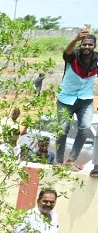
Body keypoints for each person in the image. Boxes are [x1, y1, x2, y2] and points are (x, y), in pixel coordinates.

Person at [54, 28, 96, 168]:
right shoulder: (73, 57)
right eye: (84, 44)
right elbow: (67, 52)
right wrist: (75, 39)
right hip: (66, 99)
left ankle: (71, 161)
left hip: (85, 100)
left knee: (84, 128)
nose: (87, 47)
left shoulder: (96, 60)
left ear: (94, 46)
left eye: (90, 45)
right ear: (80, 45)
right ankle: (59, 161)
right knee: (62, 129)